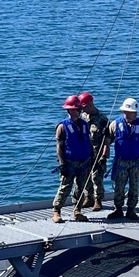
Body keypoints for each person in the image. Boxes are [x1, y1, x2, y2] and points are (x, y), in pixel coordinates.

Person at [102, 97, 139, 220]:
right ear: (125, 112)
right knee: (119, 186)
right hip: (121, 161)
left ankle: (131, 209)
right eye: (133, 112)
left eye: (136, 112)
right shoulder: (115, 124)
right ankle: (118, 209)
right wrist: (103, 157)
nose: (135, 114)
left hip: (136, 161)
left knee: (134, 186)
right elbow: (107, 142)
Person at [52, 95, 92, 223]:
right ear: (69, 111)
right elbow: (59, 147)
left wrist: (92, 158)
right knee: (65, 187)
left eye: (79, 110)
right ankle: (57, 211)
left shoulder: (85, 125)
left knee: (81, 187)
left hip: (84, 162)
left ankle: (77, 210)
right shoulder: (62, 127)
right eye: (74, 110)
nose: (77, 112)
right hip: (69, 162)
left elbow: (88, 142)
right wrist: (62, 164)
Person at [78, 91, 109, 212]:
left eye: (84, 107)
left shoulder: (102, 119)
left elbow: (108, 139)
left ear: (90, 104)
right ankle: (88, 197)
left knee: (97, 177)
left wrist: (104, 155)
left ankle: (98, 200)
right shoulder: (83, 117)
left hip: (98, 153)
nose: (82, 109)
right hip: (85, 152)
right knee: (85, 176)